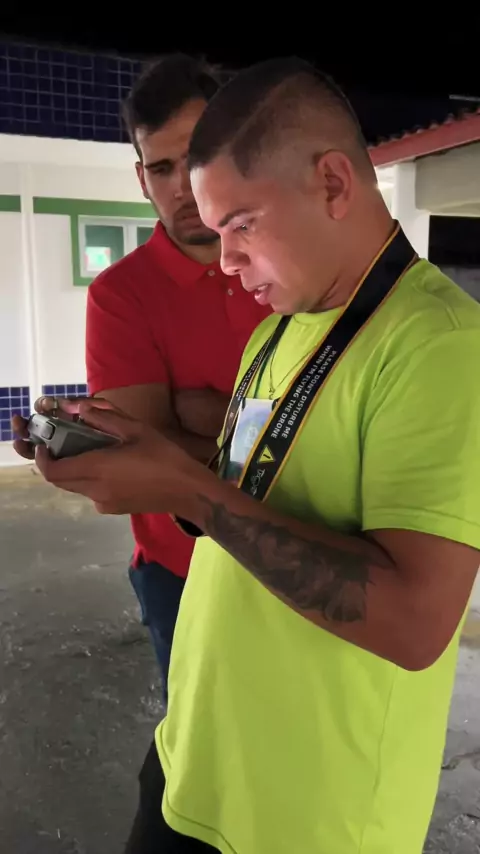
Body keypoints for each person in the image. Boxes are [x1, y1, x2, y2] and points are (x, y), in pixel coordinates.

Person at [14, 56, 480, 854]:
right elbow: (247, 488)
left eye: (241, 225)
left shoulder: (437, 347)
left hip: (308, 812)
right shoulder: (278, 328)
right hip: (196, 755)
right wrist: (149, 449)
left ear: (333, 182)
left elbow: (415, 624)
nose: (226, 262)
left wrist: (185, 486)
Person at [84, 54, 270, 703]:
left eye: (194, 160)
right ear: (141, 178)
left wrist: (206, 419)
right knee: (199, 743)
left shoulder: (288, 267)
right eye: (161, 168)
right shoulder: (120, 296)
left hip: (308, 558)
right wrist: (271, 433)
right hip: (181, 572)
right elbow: (140, 456)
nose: (182, 188)